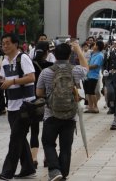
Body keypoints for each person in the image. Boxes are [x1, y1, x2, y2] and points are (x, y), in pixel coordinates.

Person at [37, 42, 88, 181]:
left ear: (53, 54)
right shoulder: (76, 70)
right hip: (70, 115)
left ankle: (54, 170)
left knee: (48, 143)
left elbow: (39, 92)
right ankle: (63, 175)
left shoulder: (46, 71)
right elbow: (86, 67)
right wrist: (78, 50)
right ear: (69, 55)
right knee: (66, 147)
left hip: (51, 114)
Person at [0, 33, 36, 180]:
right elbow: (3, 78)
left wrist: (12, 82)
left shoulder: (23, 58)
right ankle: (28, 168)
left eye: (7, 43)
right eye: (3, 43)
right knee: (19, 137)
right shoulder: (5, 61)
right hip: (12, 105)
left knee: (15, 139)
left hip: (25, 105)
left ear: (16, 44)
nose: (5, 46)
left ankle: (7, 172)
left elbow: (31, 77)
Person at [31, 41, 54, 168]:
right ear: (47, 52)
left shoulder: (29, 64)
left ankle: (33, 159)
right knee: (48, 131)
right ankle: (47, 158)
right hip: (48, 100)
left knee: (34, 131)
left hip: (33, 100)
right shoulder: (51, 66)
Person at [85, 40, 104, 113]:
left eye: (95, 45)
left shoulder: (100, 55)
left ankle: (95, 107)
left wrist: (86, 66)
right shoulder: (93, 54)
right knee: (88, 92)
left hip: (94, 75)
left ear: (98, 47)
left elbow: (96, 65)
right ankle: (90, 107)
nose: (93, 46)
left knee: (92, 92)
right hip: (89, 75)